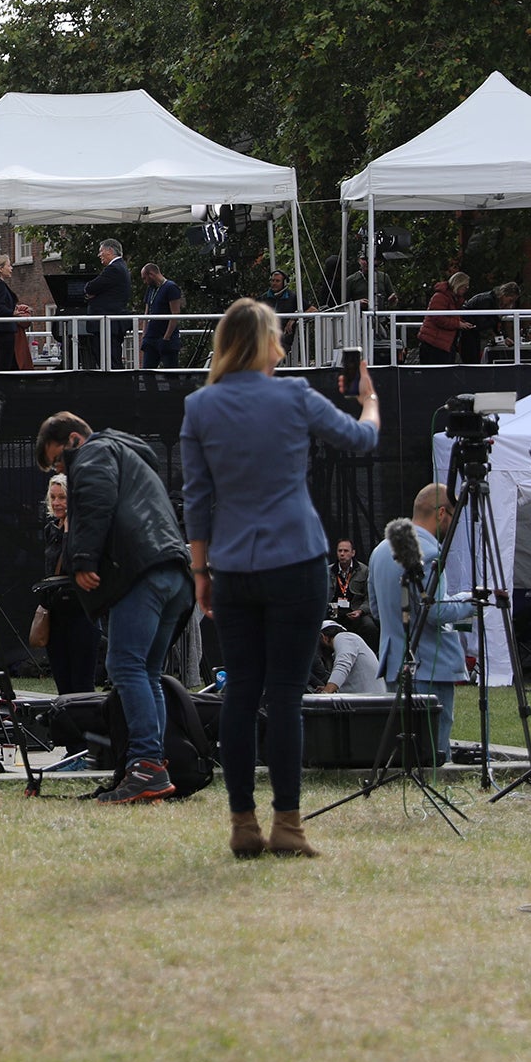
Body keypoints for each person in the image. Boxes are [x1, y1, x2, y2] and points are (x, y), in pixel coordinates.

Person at [182, 298, 379, 859]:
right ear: (268, 343)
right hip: (296, 561)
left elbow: (198, 500)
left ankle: (243, 822)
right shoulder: (294, 396)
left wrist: (202, 570)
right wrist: (368, 400)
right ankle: (288, 826)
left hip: (235, 567)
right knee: (287, 697)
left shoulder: (200, 407)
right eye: (279, 337)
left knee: (242, 691)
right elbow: (362, 441)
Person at [36, 409, 196, 802]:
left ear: (73, 440)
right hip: (175, 572)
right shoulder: (130, 454)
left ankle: (146, 767)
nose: (62, 469)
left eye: (58, 460)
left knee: (125, 666)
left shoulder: (92, 454)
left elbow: (95, 498)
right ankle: (154, 763)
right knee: (148, 672)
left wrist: (84, 559)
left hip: (140, 573)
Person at [369, 485, 472, 767]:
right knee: (432, 753)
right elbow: (435, 611)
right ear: (441, 513)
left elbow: (376, 608)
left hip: (394, 661)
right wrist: (472, 600)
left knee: (404, 749)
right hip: (430, 663)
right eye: (453, 516)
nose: (452, 524)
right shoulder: (429, 551)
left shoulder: (380, 549)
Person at [35, 473, 98, 694]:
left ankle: (87, 728)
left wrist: (70, 531)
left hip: (81, 613)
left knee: (82, 684)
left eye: (62, 497)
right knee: (63, 684)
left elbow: (75, 564)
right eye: (53, 497)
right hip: (56, 615)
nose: (56, 503)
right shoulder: (50, 529)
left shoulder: (84, 529)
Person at [76, 238, 133, 368]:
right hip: (109, 324)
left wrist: (92, 292)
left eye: (101, 251)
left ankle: (113, 386)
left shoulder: (113, 269)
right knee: (110, 358)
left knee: (109, 360)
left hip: (107, 323)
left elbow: (90, 287)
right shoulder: (121, 267)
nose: (99, 255)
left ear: (110, 251)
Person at [329, 539, 377, 648]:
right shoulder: (329, 571)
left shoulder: (364, 571)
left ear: (353, 553)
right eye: (339, 551)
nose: (342, 554)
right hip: (334, 614)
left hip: (356, 612)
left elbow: (369, 597)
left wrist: (361, 610)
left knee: (370, 627)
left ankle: (371, 658)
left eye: (346, 551)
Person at [317, 620, 386, 695]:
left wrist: (327, 691)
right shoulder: (350, 640)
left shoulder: (343, 637)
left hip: (368, 700)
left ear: (324, 637)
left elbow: (342, 665)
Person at [457, 281, 519, 364]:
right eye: (510, 300)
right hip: (470, 333)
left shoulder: (492, 301)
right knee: (472, 361)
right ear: (504, 294)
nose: (510, 305)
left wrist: (502, 337)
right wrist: (500, 338)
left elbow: (490, 325)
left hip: (473, 332)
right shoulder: (487, 301)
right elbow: (483, 325)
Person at [417, 272, 471, 365]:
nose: (466, 290)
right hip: (435, 344)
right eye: (465, 287)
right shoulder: (441, 297)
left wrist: (461, 323)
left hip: (441, 342)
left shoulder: (452, 298)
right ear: (458, 285)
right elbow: (438, 318)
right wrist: (458, 324)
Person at [139, 263, 185, 370]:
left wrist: (166, 337)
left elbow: (175, 313)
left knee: (171, 374)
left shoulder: (171, 287)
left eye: (145, 278)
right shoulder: (151, 289)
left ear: (151, 274)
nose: (144, 282)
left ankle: (174, 387)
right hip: (151, 337)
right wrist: (144, 334)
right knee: (147, 373)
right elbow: (147, 312)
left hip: (166, 338)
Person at [260, 270, 298, 359]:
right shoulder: (263, 298)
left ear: (284, 283)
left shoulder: (292, 297)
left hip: (283, 339)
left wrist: (294, 317)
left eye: (277, 281)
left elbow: (312, 310)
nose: (274, 283)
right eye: (272, 281)